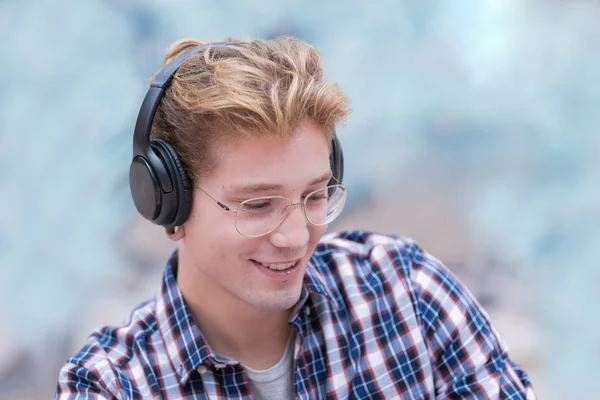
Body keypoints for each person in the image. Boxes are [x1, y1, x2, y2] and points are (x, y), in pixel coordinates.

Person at [55, 36, 536, 399]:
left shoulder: (409, 292)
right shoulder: (109, 384)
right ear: (169, 202)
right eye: (258, 205)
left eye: (314, 195)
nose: (294, 236)